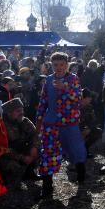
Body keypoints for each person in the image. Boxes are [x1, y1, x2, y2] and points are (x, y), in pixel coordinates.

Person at [36, 52, 86, 198]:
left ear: (67, 65)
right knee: (48, 153)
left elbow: (78, 98)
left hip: (69, 122)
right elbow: (43, 100)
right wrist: (39, 118)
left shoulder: (73, 79)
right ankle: (47, 186)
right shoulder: (49, 80)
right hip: (51, 123)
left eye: (62, 65)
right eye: (55, 65)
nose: (59, 67)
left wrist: (65, 88)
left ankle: (81, 174)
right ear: (51, 66)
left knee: (75, 149)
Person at [0, 98, 39, 185]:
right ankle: (7, 179)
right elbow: (3, 149)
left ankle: (29, 172)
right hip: (8, 156)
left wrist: (34, 148)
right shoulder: (1, 126)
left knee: (40, 151)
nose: (22, 113)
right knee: (13, 167)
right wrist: (22, 157)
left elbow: (35, 135)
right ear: (9, 113)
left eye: (22, 110)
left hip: (22, 151)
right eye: (18, 111)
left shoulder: (25, 121)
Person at [79, 88, 101, 158]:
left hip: (84, 129)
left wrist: (88, 128)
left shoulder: (89, 107)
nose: (91, 99)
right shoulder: (74, 107)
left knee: (98, 132)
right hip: (73, 130)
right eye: (89, 97)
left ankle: (85, 150)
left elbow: (94, 120)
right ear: (84, 98)